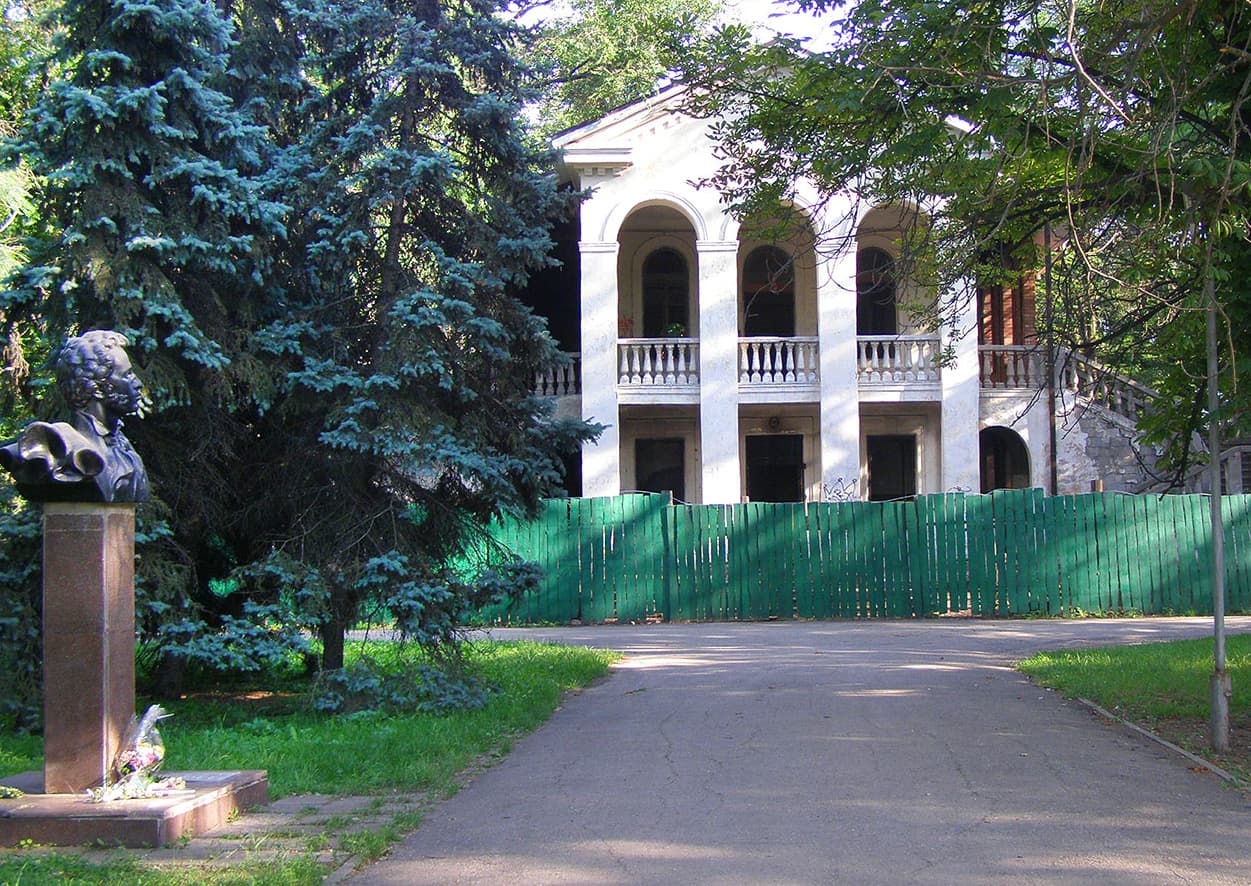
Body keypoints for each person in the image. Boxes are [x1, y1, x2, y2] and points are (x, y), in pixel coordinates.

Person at [0, 330, 150, 503]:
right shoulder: (56, 449)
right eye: (127, 375)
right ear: (97, 388)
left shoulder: (123, 446)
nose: (138, 384)